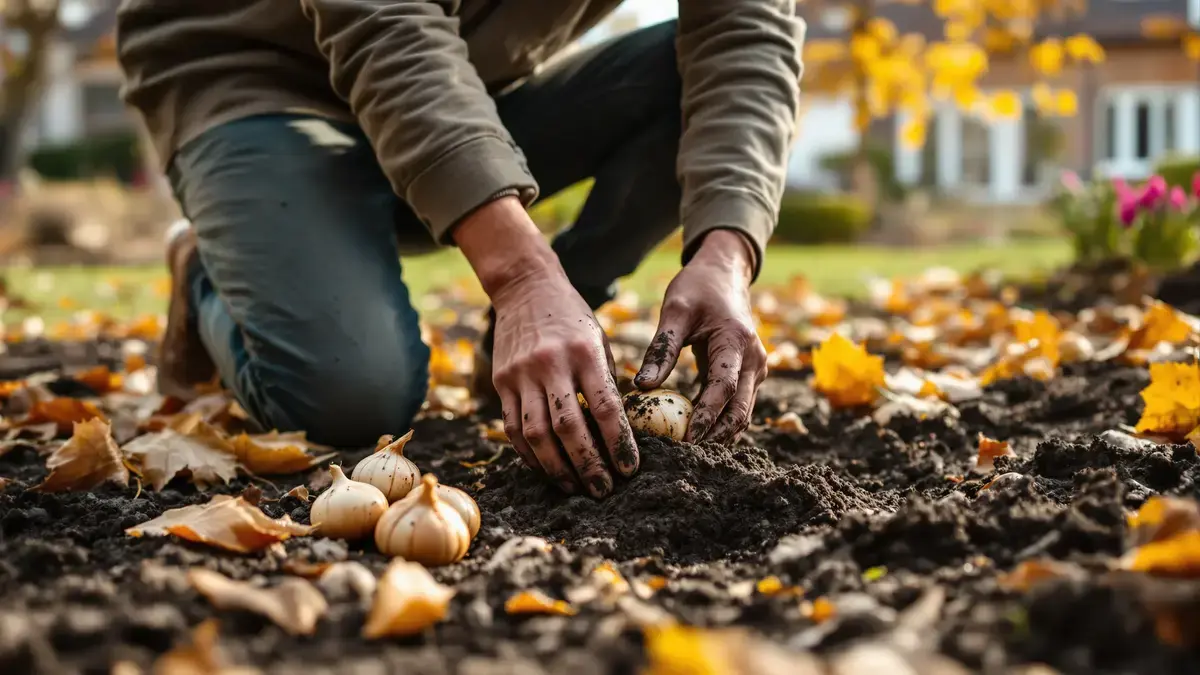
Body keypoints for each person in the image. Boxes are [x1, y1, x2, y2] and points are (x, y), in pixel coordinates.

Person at [116, 0, 804, 499]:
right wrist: (520, 276)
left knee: (684, 85)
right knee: (351, 397)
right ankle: (208, 265)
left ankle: (543, 347)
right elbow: (380, 20)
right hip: (252, 75)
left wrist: (727, 252)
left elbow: (749, 33)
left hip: (457, 84)